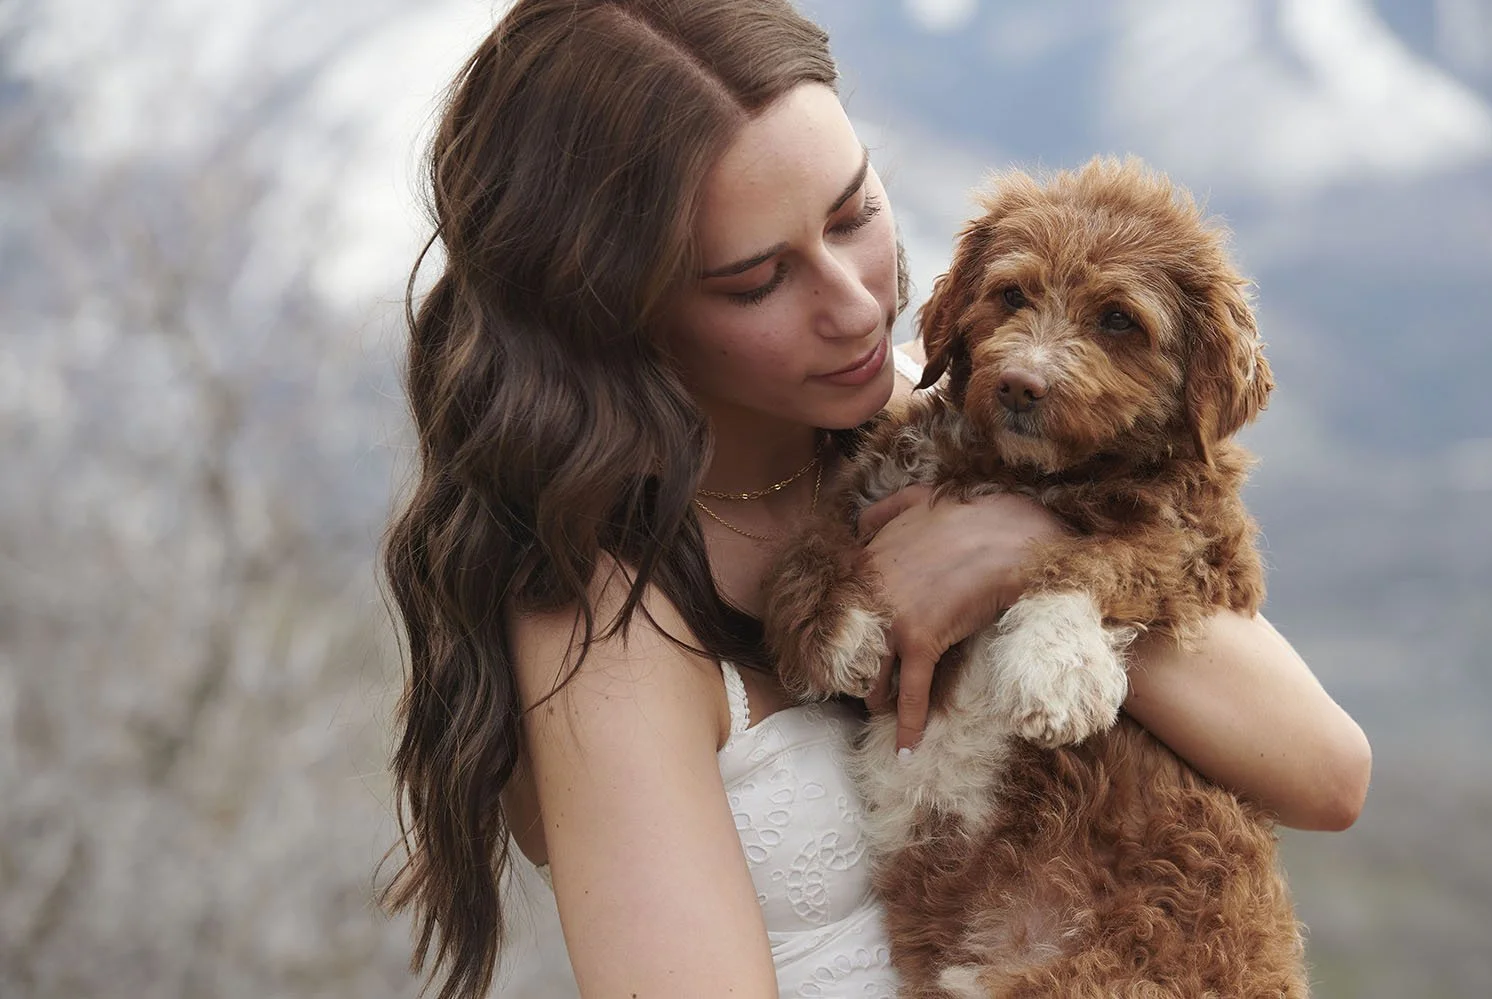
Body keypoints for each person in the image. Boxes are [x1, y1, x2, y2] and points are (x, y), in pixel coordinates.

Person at [380, 2, 1372, 997]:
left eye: (854, 214)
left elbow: (1327, 775)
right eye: (759, 280)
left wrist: (1021, 551)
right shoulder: (608, 620)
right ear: (615, 312)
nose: (858, 304)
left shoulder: (967, 430)